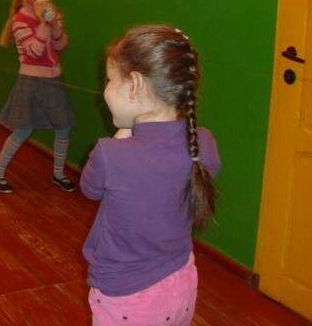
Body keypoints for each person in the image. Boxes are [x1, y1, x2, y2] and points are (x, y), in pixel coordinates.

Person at [81, 25, 221, 325]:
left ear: (134, 85)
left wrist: (123, 133)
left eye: (109, 80)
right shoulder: (204, 141)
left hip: (127, 297)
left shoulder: (110, 154)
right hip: (182, 283)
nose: (105, 89)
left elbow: (89, 188)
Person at [0, 0, 76, 194]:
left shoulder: (52, 13)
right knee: (23, 130)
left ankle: (58, 173)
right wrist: (44, 23)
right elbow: (34, 51)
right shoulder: (20, 20)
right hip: (31, 80)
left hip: (53, 79)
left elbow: (61, 45)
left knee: (63, 127)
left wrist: (54, 23)